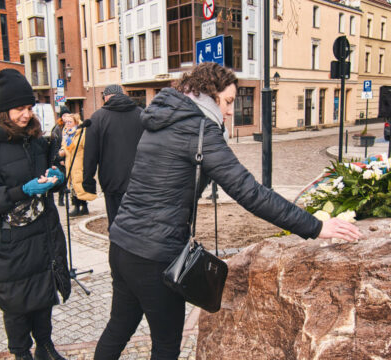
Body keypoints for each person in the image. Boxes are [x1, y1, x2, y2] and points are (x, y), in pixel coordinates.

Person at [94, 63, 362, 360]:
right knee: (166, 345)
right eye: (229, 101)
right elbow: (250, 192)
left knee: (119, 327)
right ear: (208, 95)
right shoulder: (199, 130)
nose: (231, 111)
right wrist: (316, 227)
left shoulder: (159, 119)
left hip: (121, 245)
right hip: (155, 257)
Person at [0, 69, 71, 360]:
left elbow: (49, 171)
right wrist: (22, 190)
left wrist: (54, 176)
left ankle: (45, 347)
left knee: (43, 296)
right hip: (9, 242)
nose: (26, 114)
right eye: (19, 109)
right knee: (17, 304)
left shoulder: (34, 139)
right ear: (3, 110)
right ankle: (21, 352)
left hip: (41, 234)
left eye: (29, 108)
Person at [83, 84, 144, 227]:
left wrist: (88, 182)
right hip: (140, 180)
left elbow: (90, 154)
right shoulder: (141, 114)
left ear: (106, 97)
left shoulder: (98, 117)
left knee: (117, 225)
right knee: (138, 225)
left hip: (112, 181)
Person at [58, 113, 96, 216]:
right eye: (66, 122)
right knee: (72, 185)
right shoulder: (66, 133)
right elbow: (63, 145)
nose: (67, 124)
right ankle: (77, 205)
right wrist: (62, 152)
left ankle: (82, 206)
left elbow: (85, 147)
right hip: (69, 162)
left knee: (79, 184)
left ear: (75, 122)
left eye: (70, 122)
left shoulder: (81, 132)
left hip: (79, 162)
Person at [51, 106, 70, 206]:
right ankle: (61, 199)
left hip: (69, 157)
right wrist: (60, 159)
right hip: (60, 159)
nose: (66, 117)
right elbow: (56, 146)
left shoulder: (70, 127)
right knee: (62, 179)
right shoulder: (57, 129)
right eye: (64, 115)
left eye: (67, 115)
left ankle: (70, 199)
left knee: (69, 179)